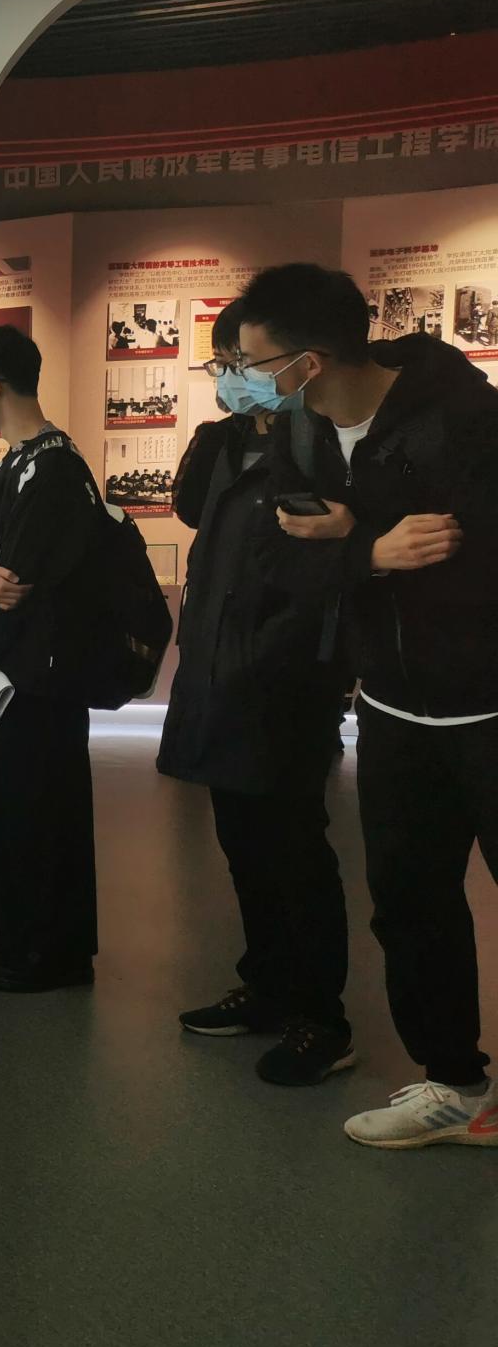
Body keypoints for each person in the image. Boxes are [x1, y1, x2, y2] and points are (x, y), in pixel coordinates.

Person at [236, 262, 498, 1148]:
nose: (241, 376)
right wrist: (369, 551)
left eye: (251, 361)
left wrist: (359, 540)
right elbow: (277, 558)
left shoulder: (464, 418)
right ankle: (455, 1085)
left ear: (308, 361)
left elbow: (471, 556)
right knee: (411, 899)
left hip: (487, 707)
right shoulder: (302, 434)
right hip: (390, 708)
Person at [161, 300, 355, 1085]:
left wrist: (272, 662)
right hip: (220, 674)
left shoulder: (319, 445)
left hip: (284, 686)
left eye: (243, 363)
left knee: (294, 853)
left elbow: (320, 577)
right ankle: (268, 986)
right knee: (244, 846)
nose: (232, 377)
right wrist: (219, 435)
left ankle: (321, 1018)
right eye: (225, 364)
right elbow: (188, 514)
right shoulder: (230, 443)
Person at [0, 325, 103, 993]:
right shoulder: (15, 462)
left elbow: (21, 583)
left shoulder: (55, 468)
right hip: (9, 677)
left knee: (46, 815)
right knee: (13, 811)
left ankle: (54, 951)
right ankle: (20, 929)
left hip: (41, 678)